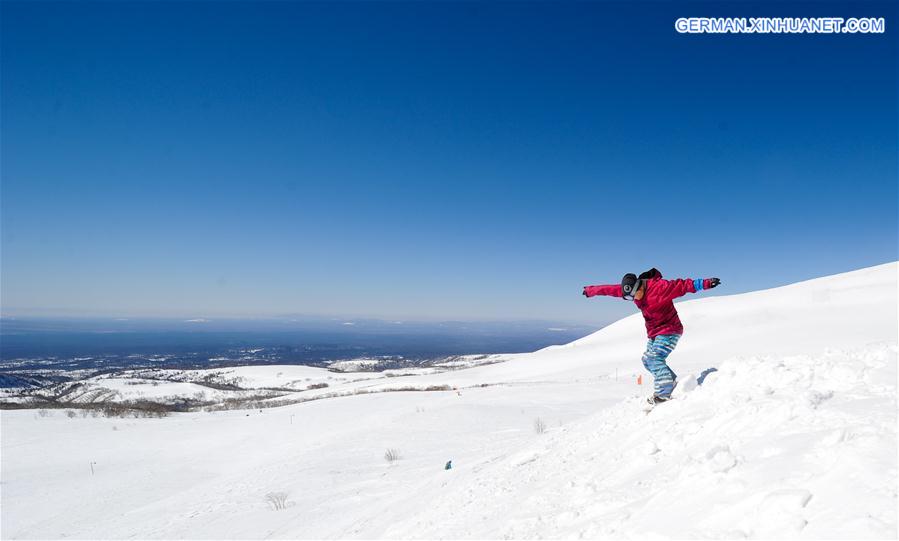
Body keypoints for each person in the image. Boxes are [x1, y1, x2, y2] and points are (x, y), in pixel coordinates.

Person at [582, 268, 720, 404]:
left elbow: (683, 286)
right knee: (647, 360)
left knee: (654, 358)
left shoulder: (660, 288)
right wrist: (591, 290)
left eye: (633, 295)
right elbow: (609, 289)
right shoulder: (631, 292)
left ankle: (663, 393)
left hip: (670, 329)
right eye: (628, 298)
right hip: (654, 333)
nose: (633, 299)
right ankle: (669, 381)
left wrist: (706, 283)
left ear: (639, 287)